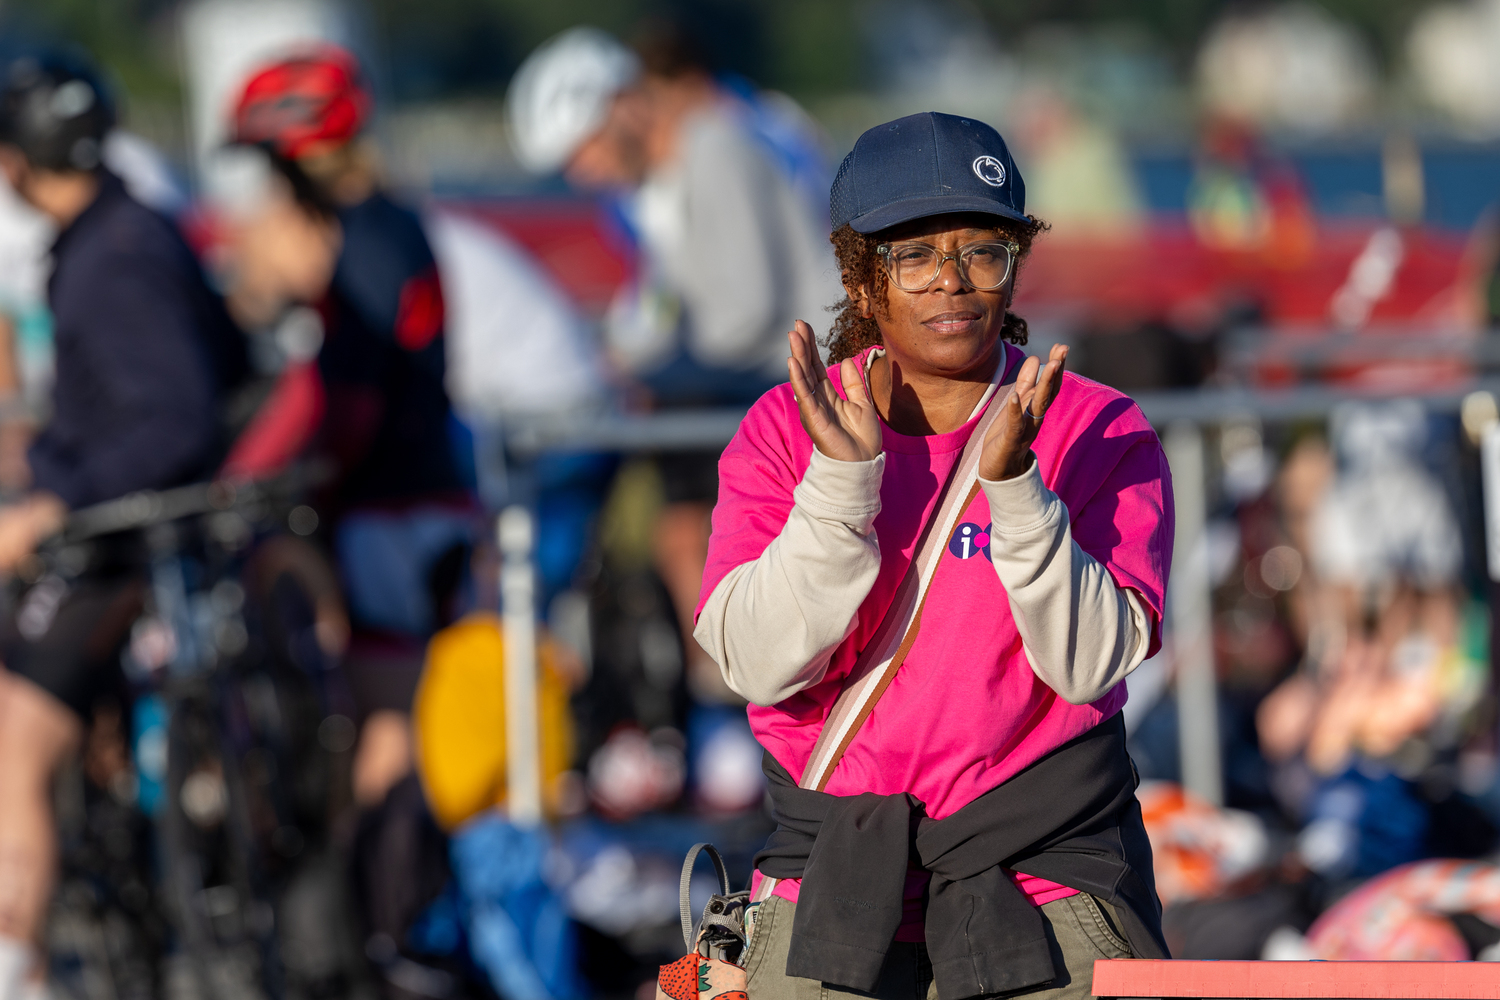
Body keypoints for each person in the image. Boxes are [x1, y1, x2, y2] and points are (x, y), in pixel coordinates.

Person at [693, 113, 1175, 999]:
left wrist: (1019, 491)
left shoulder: (1100, 428)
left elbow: (1090, 664)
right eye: (913, 255)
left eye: (983, 251)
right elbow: (755, 664)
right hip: (829, 876)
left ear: (1015, 264)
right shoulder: (783, 430)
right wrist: (841, 486)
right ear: (860, 278)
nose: (952, 282)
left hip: (1041, 869)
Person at [0, 55, 246, 1000]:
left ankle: (17, 964)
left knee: (13, 742)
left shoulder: (111, 260)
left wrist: (58, 502)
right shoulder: (132, 229)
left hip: (113, 540)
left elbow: (176, 417)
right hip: (106, 526)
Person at [508, 26, 841, 702]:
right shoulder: (669, 178)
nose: (583, 174)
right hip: (761, 383)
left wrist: (642, 372)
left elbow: (745, 314)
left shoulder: (714, 147)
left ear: (622, 109)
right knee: (676, 526)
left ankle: (731, 691)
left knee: (687, 528)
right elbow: (671, 315)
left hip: (801, 385)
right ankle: (713, 688)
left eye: (586, 150)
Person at [220, 45, 475, 811]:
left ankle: (386, 917)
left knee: (386, 723)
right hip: (431, 491)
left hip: (387, 510)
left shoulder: (363, 241)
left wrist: (280, 479)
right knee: (405, 714)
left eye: (272, 164)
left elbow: (355, 397)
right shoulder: (396, 224)